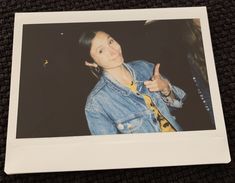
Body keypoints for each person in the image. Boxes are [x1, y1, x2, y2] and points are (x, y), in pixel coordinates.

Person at [78, 30, 186, 135]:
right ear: (91, 63)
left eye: (110, 42)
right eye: (101, 51)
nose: (113, 51)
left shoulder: (144, 67)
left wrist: (166, 90)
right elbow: (109, 149)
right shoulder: (96, 103)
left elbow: (178, 106)